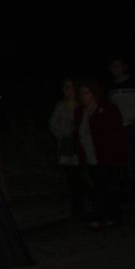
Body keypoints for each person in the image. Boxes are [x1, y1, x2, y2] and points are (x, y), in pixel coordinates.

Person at [74, 79, 128, 230]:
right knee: (98, 187)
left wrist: (119, 156)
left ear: (94, 94)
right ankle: (105, 215)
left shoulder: (108, 109)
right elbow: (78, 135)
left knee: (105, 187)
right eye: (81, 93)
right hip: (89, 157)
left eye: (86, 93)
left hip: (107, 155)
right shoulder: (80, 112)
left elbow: (116, 134)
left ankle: (107, 217)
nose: (83, 96)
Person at [107, 58, 135, 208]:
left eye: (118, 65)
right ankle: (129, 196)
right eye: (113, 66)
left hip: (134, 127)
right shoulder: (110, 88)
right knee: (122, 163)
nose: (115, 69)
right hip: (118, 129)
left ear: (124, 67)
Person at [48, 79, 87, 221]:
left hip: (81, 145)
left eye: (69, 87)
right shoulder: (61, 105)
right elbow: (52, 123)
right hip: (65, 144)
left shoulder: (82, 104)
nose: (66, 90)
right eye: (64, 87)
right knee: (71, 175)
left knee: (79, 175)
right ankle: (80, 203)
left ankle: (80, 205)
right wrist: (62, 133)